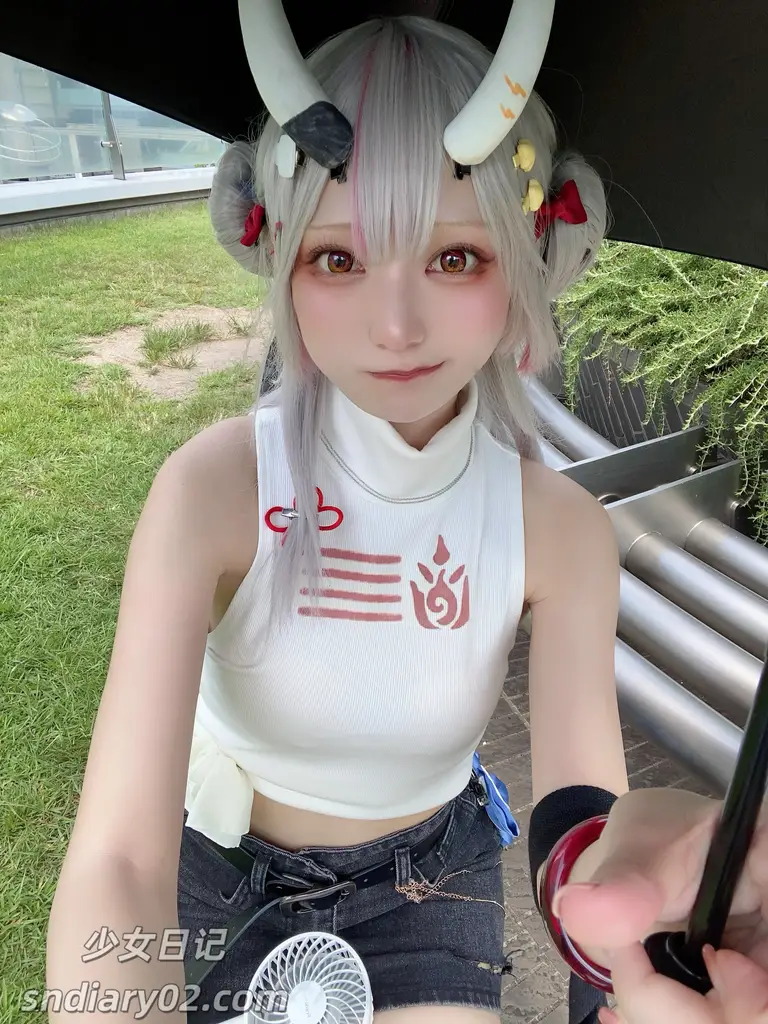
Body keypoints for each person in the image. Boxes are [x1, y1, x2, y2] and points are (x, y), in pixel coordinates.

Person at [44, 9, 768, 1024]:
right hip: (213, 863)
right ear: (277, 254)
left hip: (428, 882)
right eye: (339, 259)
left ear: (531, 256)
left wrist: (623, 916)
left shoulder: (560, 530)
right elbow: (121, 857)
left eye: (455, 257)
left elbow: (581, 824)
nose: (395, 324)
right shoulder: (213, 491)